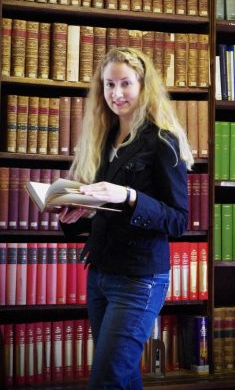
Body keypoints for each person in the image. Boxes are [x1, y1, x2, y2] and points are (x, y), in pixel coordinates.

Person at [59, 47, 194, 389]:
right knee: (123, 376)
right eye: (109, 85)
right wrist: (75, 214)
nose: (116, 94)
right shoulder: (102, 139)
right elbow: (106, 216)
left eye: (125, 84)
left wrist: (130, 196)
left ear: (143, 85)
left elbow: (179, 220)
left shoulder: (164, 141)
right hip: (101, 273)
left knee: (106, 380)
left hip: (139, 279)